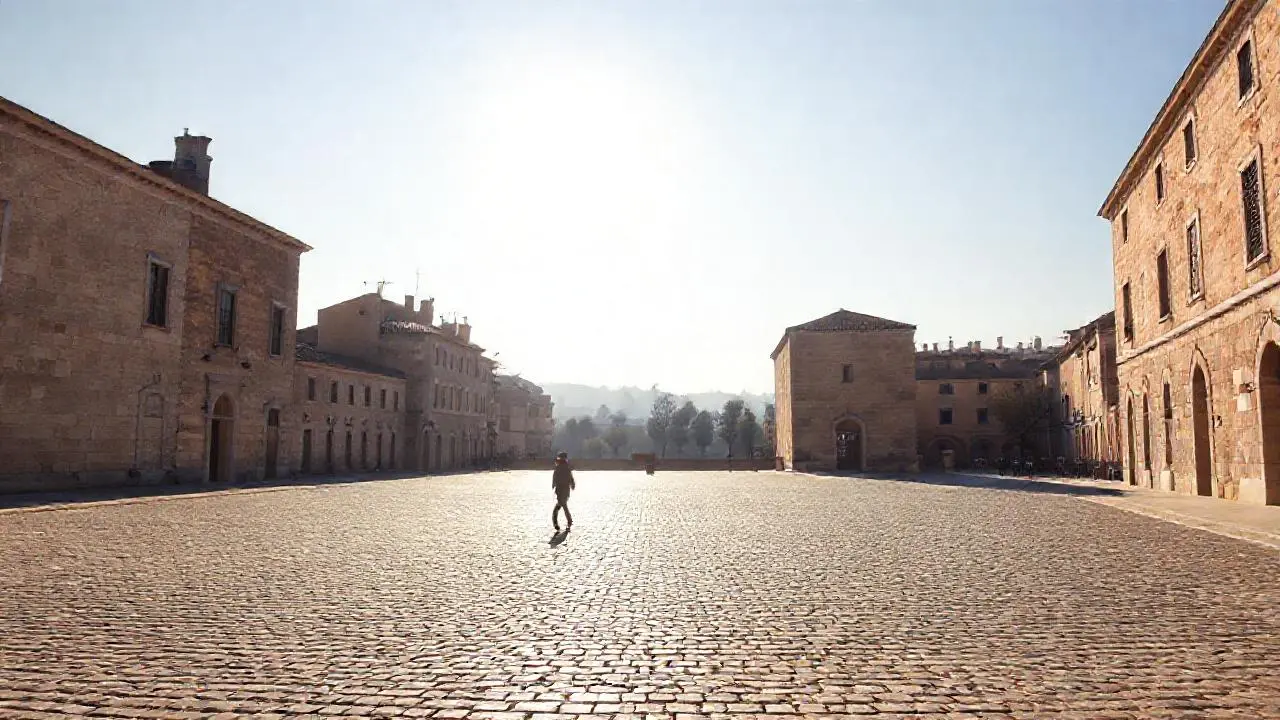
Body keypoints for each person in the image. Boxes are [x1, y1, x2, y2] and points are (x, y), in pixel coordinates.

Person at [552, 452, 575, 533]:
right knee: (562, 505)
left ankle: (558, 522)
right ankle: (567, 521)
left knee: (561, 505)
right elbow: (570, 477)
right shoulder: (565, 467)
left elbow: (555, 477)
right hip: (563, 489)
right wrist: (572, 484)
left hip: (561, 489)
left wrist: (554, 485)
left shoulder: (559, 467)